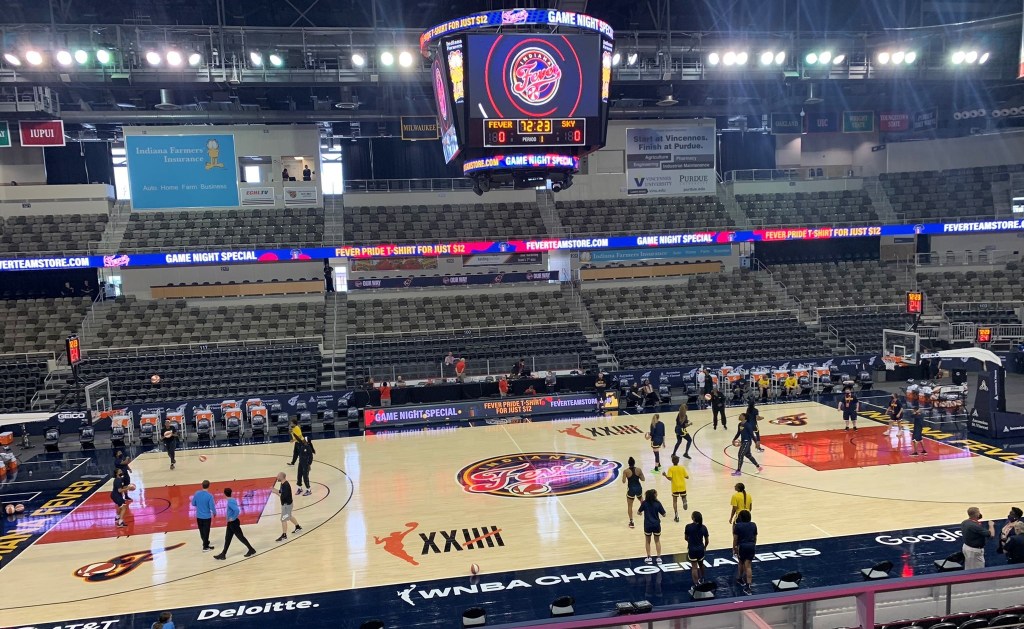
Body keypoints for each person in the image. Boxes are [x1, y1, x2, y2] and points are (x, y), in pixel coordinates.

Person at [213, 487, 256, 559]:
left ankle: (251, 549)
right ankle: (223, 554)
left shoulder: (230, 502)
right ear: (231, 493)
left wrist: (232, 518)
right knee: (228, 538)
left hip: (233, 523)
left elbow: (236, 510)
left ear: (224, 494)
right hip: (231, 523)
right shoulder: (232, 500)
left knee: (240, 537)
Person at [637, 488, 666, 565]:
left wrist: (641, 513)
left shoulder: (644, 503)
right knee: (657, 541)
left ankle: (649, 557)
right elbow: (664, 514)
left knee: (647, 541)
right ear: (654, 495)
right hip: (656, 525)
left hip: (647, 525)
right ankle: (659, 557)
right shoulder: (658, 503)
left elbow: (638, 512)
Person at [733, 509, 758, 594]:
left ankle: (740, 578)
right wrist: (753, 545)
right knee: (748, 566)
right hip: (751, 545)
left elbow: (735, 539)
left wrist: (734, 548)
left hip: (742, 546)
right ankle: (748, 586)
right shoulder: (753, 525)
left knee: (740, 562)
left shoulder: (737, 526)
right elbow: (755, 538)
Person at [272, 472, 302, 542]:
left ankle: (284, 535)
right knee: (289, 516)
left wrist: (275, 492)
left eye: (278, 476)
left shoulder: (285, 485)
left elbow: (282, 496)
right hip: (287, 505)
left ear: (281, 477)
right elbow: (281, 491)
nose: (277, 477)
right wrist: (274, 490)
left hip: (286, 505)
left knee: (283, 519)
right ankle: (298, 527)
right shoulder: (283, 483)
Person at [684, 511, 709, 585]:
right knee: (701, 564)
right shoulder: (704, 527)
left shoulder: (688, 526)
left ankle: (696, 584)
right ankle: (703, 579)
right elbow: (707, 541)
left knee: (694, 567)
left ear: (693, 518)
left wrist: (691, 541)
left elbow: (685, 538)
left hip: (692, 549)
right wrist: (704, 547)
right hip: (700, 549)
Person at [191, 480, 216, 552]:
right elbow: (211, 506)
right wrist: (214, 512)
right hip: (207, 517)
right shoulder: (209, 496)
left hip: (199, 516)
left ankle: (206, 542)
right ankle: (205, 547)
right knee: (206, 531)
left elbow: (193, 503)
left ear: (202, 485)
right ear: (209, 486)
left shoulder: (197, 493)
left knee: (201, 531)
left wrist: (199, 505)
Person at [662, 455, 689, 521]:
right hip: (682, 486)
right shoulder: (682, 468)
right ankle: (684, 501)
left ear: (672, 461)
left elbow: (670, 478)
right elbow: (687, 477)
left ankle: (676, 515)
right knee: (683, 497)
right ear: (678, 461)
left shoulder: (671, 469)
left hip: (675, 487)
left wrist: (665, 475)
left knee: (675, 501)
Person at [621, 456, 645, 529]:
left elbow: (623, 481)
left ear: (628, 463)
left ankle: (631, 522)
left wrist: (625, 476)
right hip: (638, 488)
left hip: (631, 489)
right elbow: (643, 479)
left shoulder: (626, 471)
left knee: (630, 505)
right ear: (634, 463)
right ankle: (641, 511)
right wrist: (639, 475)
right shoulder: (639, 470)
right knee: (641, 500)